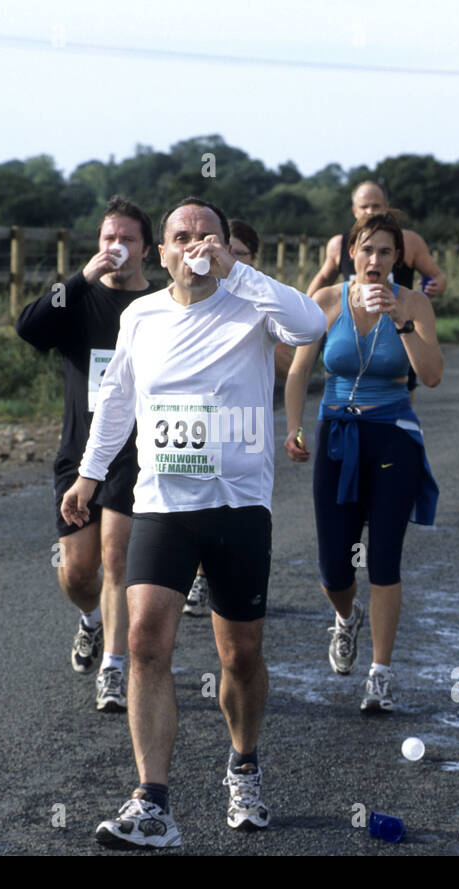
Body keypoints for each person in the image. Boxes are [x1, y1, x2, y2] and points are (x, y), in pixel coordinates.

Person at [62, 196, 326, 849]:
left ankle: (244, 763)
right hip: (162, 502)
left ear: (226, 245)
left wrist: (238, 271)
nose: (195, 245)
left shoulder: (250, 304)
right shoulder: (141, 315)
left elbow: (310, 320)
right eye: (182, 237)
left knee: (239, 653)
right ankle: (152, 801)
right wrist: (90, 477)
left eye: (207, 234)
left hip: (238, 505)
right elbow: (118, 401)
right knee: (148, 640)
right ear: (163, 252)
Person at [283, 212, 443, 712]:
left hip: (393, 436)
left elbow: (432, 374)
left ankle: (380, 672)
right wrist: (294, 427)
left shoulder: (413, 303)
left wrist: (401, 321)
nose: (375, 261)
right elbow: (299, 370)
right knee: (334, 564)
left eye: (386, 253)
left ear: (399, 259)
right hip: (336, 433)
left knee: (384, 557)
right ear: (351, 253)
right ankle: (345, 617)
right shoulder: (327, 302)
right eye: (367, 250)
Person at [15, 196, 160, 712]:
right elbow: (28, 328)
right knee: (78, 571)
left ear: (146, 249)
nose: (115, 247)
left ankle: (115, 670)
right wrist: (80, 278)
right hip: (78, 453)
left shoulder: (159, 305)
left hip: (135, 455)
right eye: (107, 239)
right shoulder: (76, 299)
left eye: (126, 240)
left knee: (117, 560)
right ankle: (91, 619)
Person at [183, 218, 286, 618]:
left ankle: (227, 582)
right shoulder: (188, 301)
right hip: (192, 426)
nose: (222, 261)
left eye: (237, 255)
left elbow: (298, 344)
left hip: (242, 433)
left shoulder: (261, 302)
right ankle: (196, 573)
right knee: (191, 491)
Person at [306, 180, 448, 298]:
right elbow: (323, 279)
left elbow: (438, 277)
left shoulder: (409, 241)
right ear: (355, 211)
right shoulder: (338, 244)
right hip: (356, 326)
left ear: (386, 207)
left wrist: (437, 285)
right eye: (364, 207)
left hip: (397, 323)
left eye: (375, 206)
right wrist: (303, 311)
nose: (370, 211)